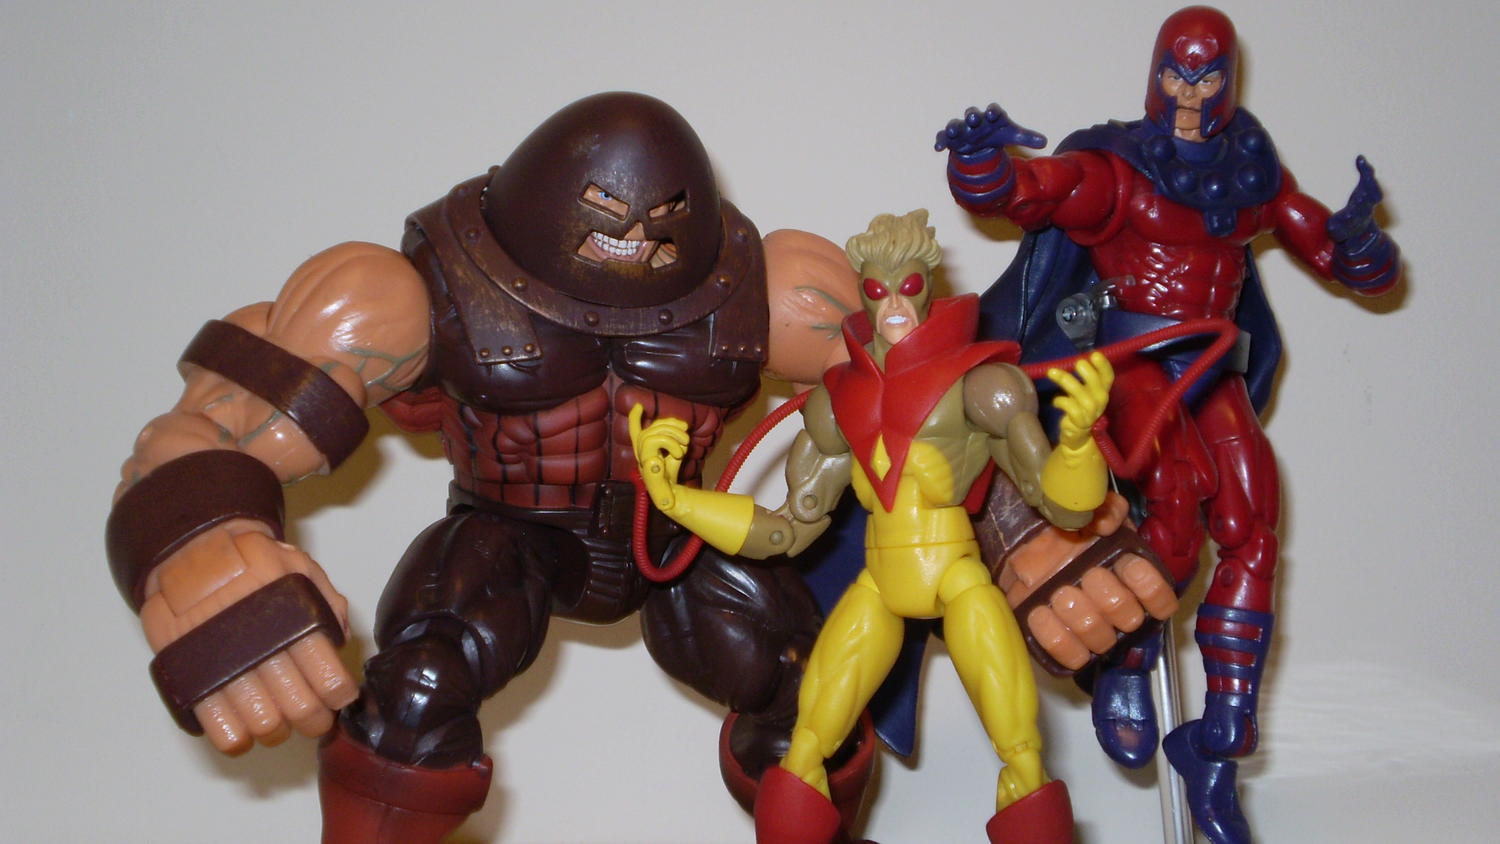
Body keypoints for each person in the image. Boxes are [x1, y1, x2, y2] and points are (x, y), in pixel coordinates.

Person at [105, 92, 875, 842]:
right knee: (419, 686)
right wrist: (202, 537)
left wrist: (959, 532)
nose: (638, 234)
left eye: (662, 219)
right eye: (609, 211)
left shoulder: (773, 287)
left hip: (675, 531)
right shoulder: (414, 293)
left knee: (818, 688)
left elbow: (917, 406)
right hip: (512, 530)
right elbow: (218, 423)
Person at [936, 7, 1402, 842]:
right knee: (1173, 512)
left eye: (1207, 76)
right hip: (1132, 360)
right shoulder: (1120, 167)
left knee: (1254, 517)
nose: (1190, 94)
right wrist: (980, 164)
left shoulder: (1248, 169)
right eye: (1177, 75)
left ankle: (1218, 744)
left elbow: (1333, 252)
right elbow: (1033, 193)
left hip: (1210, 366)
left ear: (1229, 78)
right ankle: (1127, 656)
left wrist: (1361, 242)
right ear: (1156, 73)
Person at [632, 210, 1172, 843]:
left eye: (908, 287)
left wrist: (1077, 445)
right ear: (861, 293)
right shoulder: (837, 404)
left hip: (958, 578)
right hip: (880, 587)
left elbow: (1063, 506)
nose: (893, 305)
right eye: (878, 289)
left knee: (1021, 749)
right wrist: (677, 501)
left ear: (928, 286)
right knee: (806, 746)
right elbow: (787, 529)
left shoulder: (981, 386)